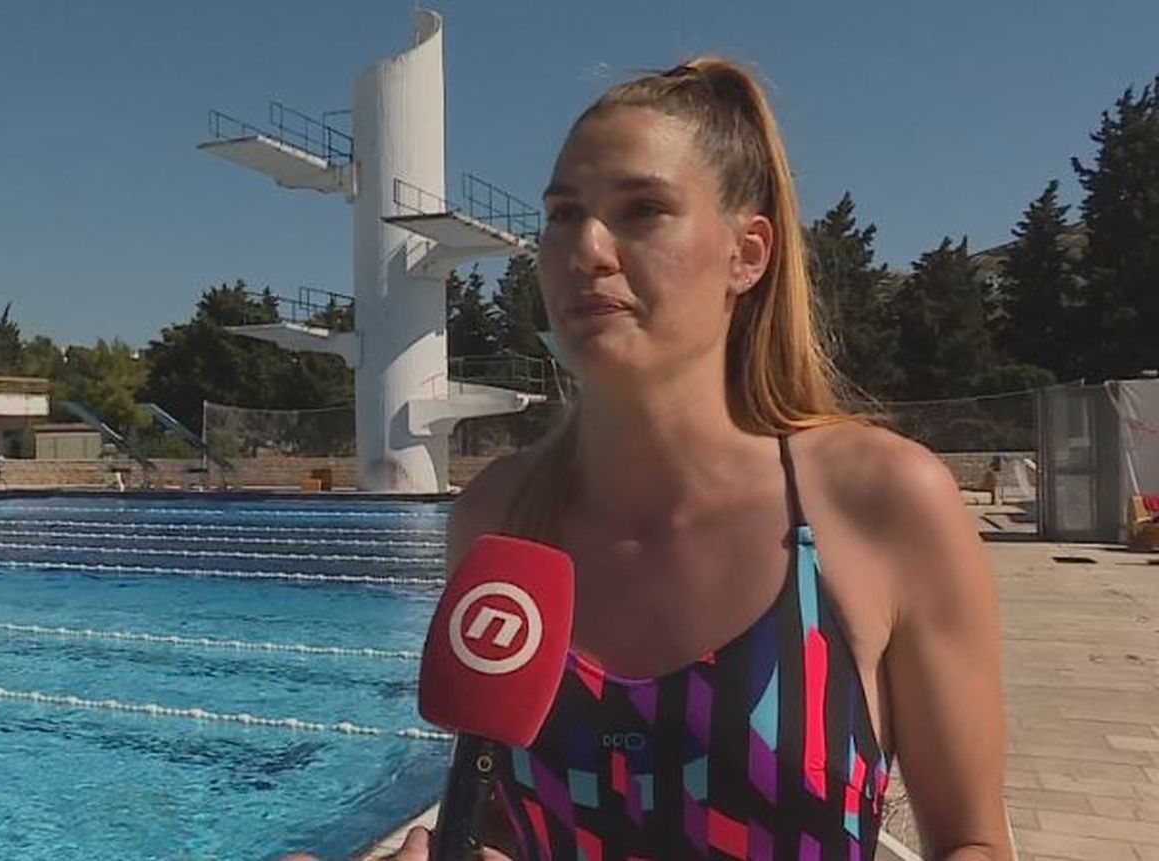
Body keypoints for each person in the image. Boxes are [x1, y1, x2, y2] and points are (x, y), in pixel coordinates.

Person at [292, 57, 1009, 860]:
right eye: (563, 215)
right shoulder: (500, 518)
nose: (586, 248)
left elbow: (974, 840)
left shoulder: (880, 503)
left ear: (747, 253)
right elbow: (499, 817)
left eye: (642, 210)